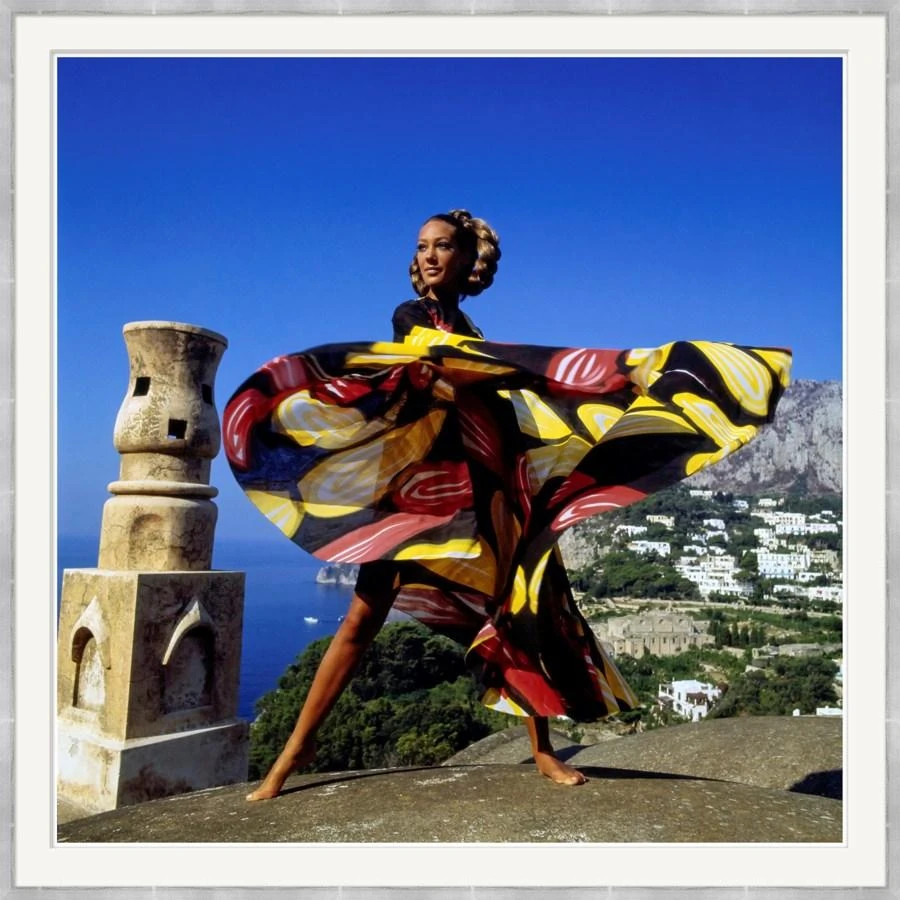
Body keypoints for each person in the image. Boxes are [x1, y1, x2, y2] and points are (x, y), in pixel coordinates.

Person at [225, 208, 791, 802]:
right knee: (362, 621)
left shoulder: (471, 332)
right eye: (422, 247)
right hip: (420, 496)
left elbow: (482, 382)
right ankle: (295, 750)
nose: (429, 256)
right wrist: (547, 370)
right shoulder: (412, 319)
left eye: (443, 246)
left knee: (519, 610)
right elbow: (443, 369)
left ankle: (541, 749)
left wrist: (589, 387)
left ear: (469, 260)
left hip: (489, 489)